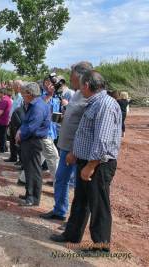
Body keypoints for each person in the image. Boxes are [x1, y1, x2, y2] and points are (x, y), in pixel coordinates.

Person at [50, 70, 122, 252]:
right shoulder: (93, 103)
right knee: (81, 201)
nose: (79, 89)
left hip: (98, 164)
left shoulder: (105, 105)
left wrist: (90, 165)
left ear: (87, 85)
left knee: (98, 205)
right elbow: (86, 133)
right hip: (86, 160)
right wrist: (75, 152)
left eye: (81, 85)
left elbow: (102, 140)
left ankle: (100, 246)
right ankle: (72, 235)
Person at [40, 61, 93, 221]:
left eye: (71, 75)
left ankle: (75, 221)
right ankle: (59, 211)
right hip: (65, 146)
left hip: (76, 149)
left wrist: (74, 150)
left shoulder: (88, 96)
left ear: (80, 76)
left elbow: (85, 127)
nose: (69, 79)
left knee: (79, 186)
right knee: (61, 179)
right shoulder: (76, 94)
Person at [16, 82, 50, 206]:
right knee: (29, 168)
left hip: (33, 141)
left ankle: (33, 198)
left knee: (34, 169)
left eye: (24, 93)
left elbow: (32, 127)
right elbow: (26, 123)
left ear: (29, 94)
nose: (22, 95)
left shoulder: (38, 107)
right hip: (29, 140)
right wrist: (20, 131)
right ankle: (28, 193)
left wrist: (20, 135)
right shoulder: (35, 104)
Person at [41, 76, 61, 185]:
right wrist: (50, 93)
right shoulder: (42, 96)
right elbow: (41, 106)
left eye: (53, 83)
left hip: (52, 132)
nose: (51, 85)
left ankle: (23, 178)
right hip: (45, 133)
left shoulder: (56, 98)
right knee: (54, 157)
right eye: (48, 83)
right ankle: (58, 184)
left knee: (40, 156)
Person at [6, 80, 23, 162]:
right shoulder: (15, 96)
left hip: (17, 120)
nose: (13, 87)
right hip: (12, 120)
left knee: (17, 140)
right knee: (12, 139)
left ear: (18, 87)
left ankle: (21, 159)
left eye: (14, 85)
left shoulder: (20, 97)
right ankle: (13, 157)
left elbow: (19, 109)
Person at [0, 88, 13, 153]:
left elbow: (0, 111)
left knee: (1, 135)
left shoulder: (4, 100)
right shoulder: (7, 99)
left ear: (2, 93)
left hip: (2, 120)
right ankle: (4, 148)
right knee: (3, 135)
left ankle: (1, 149)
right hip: (5, 120)